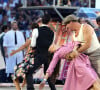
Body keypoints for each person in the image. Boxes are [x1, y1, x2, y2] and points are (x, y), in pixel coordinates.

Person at [11, 15, 56, 90]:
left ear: (41, 21)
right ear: (49, 22)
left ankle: (30, 88)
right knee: (47, 74)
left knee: (29, 72)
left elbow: (33, 44)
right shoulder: (52, 32)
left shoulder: (36, 30)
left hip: (38, 55)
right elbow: (51, 46)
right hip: (48, 56)